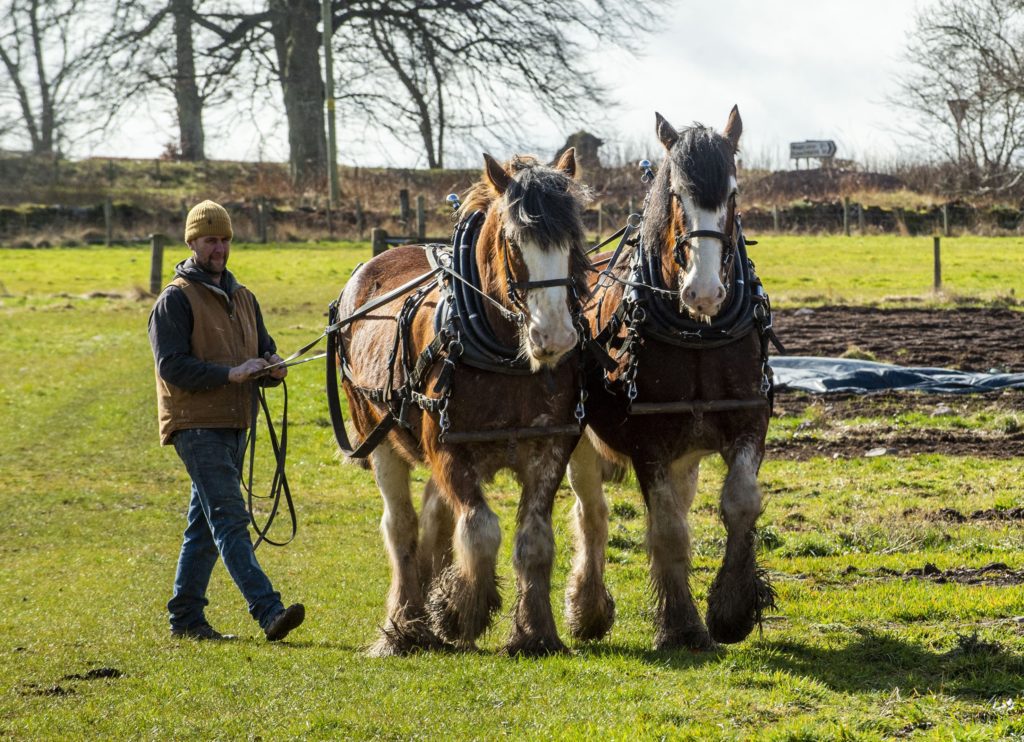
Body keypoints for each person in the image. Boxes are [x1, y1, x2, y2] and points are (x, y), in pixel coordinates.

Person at [148, 199, 305, 642]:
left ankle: (186, 618)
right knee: (230, 518)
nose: (219, 248)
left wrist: (273, 367)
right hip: (195, 425)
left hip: (237, 421)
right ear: (193, 242)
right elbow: (172, 366)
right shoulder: (174, 300)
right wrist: (230, 374)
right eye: (210, 240)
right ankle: (268, 610)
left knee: (204, 524)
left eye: (224, 239)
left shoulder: (244, 297)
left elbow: (265, 348)